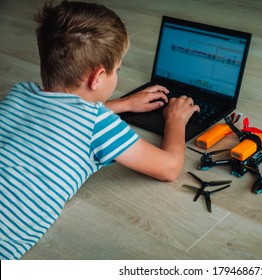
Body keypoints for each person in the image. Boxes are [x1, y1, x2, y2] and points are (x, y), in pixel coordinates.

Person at [0, 0, 199, 260]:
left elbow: (59, 114)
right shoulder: (98, 125)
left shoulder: (18, 94)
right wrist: (175, 119)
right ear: (97, 77)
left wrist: (122, 104)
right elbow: (169, 168)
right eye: (117, 69)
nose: (117, 75)